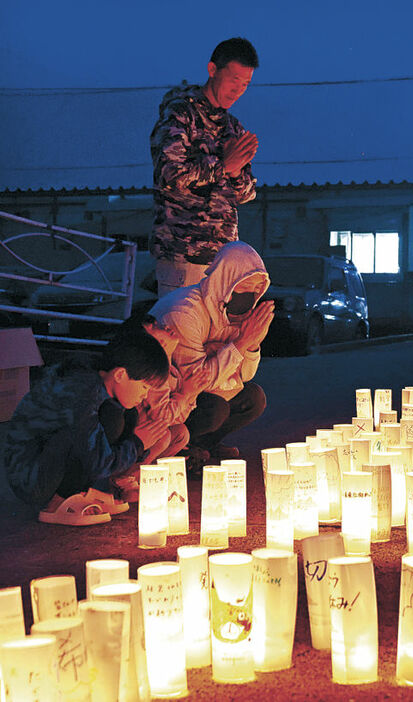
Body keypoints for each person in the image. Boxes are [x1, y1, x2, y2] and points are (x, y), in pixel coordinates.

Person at [1, 332, 170, 526]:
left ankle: (83, 492)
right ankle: (56, 503)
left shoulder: (96, 382)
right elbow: (95, 459)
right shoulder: (81, 393)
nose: (145, 395)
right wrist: (138, 443)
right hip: (31, 479)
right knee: (113, 418)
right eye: (144, 387)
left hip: (45, 463)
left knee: (125, 413)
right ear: (120, 374)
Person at [149, 240, 273, 473]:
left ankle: (203, 445)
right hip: (166, 397)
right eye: (244, 287)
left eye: (257, 290)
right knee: (215, 408)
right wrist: (241, 343)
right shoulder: (185, 311)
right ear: (225, 282)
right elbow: (197, 380)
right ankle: (182, 449)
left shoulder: (238, 313)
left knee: (254, 398)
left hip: (199, 389)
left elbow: (245, 376)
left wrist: (252, 344)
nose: (251, 296)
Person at [150, 37, 260, 297]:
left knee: (218, 338)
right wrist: (223, 165)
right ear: (212, 70)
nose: (238, 90)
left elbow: (245, 195)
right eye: (234, 80)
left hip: (224, 262)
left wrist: (234, 173)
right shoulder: (181, 114)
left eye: (245, 84)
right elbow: (169, 174)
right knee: (181, 336)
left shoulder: (233, 127)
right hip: (183, 257)